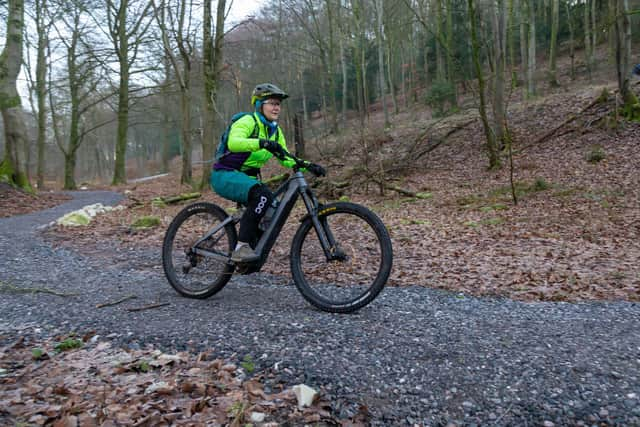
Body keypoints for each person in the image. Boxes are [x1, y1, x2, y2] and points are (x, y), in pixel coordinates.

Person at [210, 83, 326, 263]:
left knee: (273, 209)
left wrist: (309, 165)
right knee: (262, 196)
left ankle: (249, 253)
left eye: (278, 104)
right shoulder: (248, 121)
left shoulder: (275, 131)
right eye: (271, 103)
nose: (276, 107)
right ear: (258, 104)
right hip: (224, 174)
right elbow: (234, 142)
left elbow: (286, 157)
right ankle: (241, 248)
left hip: (246, 179)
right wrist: (260, 142)